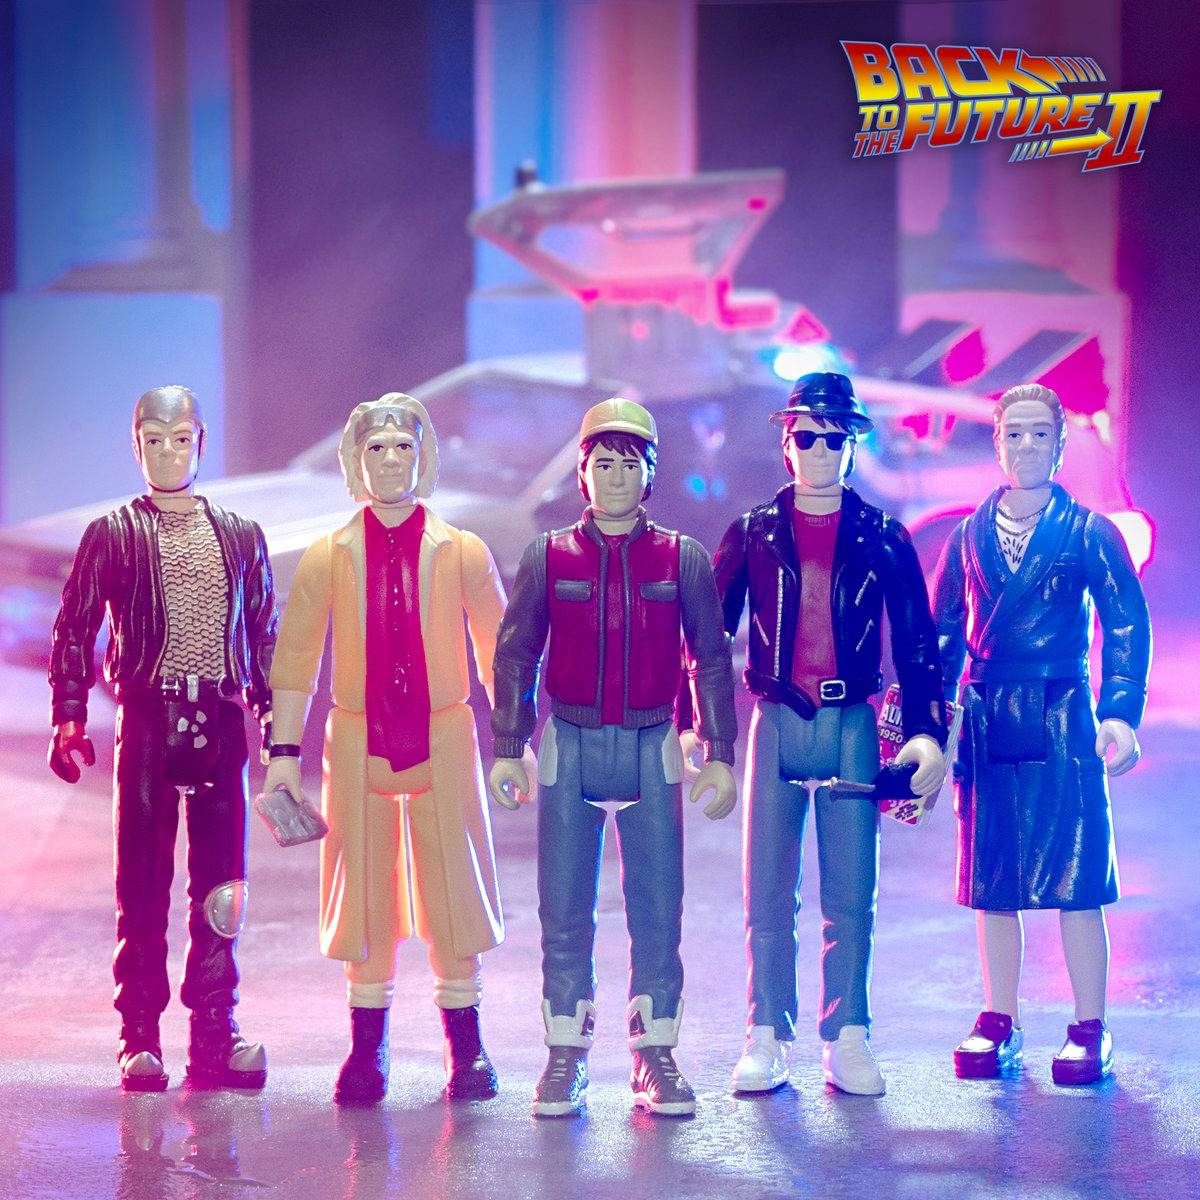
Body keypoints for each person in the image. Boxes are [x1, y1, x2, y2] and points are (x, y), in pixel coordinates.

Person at [489, 397, 738, 1118]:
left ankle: (654, 1051)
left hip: (652, 741)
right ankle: (564, 1052)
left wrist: (719, 749)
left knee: (658, 910)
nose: (617, 476)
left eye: (630, 463)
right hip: (568, 742)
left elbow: (710, 659)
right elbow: (516, 654)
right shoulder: (548, 556)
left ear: (650, 472)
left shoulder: (682, 558)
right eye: (604, 463)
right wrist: (509, 744)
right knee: (564, 909)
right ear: (583, 472)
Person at [264, 394, 509, 1106]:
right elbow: (296, 660)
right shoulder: (328, 556)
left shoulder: (462, 551)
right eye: (377, 448)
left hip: (443, 734)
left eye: (404, 446)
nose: (392, 460)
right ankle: (366, 1047)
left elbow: (499, 650)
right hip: (357, 738)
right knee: (362, 888)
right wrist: (283, 754)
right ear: (355, 459)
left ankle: (467, 1044)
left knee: (454, 884)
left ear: (423, 456)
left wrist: (513, 741)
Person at [712, 372, 946, 1097]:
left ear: (852, 446)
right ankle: (764, 1031)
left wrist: (927, 731)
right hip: (776, 720)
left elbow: (917, 643)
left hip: (851, 723)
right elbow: (709, 639)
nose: (819, 451)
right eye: (806, 437)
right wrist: (703, 730)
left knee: (852, 892)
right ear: (786, 443)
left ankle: (848, 1034)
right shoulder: (753, 532)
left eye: (834, 439)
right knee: (766, 890)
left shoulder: (884, 537)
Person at [48, 385, 277, 1092]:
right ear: (136, 445)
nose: (169, 452)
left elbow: (264, 634)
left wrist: (277, 726)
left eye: (181, 439)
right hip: (147, 721)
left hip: (221, 722)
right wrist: (69, 714)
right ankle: (139, 1036)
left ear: (201, 443)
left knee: (224, 890)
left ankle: (215, 1029)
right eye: (154, 439)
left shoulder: (240, 534)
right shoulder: (112, 533)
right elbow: (75, 625)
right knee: (142, 885)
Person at [932, 383, 1152, 1085]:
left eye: (1039, 434)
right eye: (1013, 433)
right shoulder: (967, 536)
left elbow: (1125, 620)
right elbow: (942, 635)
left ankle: (1090, 1024)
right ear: (996, 442)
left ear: (1059, 445)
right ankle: (999, 1016)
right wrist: (932, 725)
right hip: (989, 712)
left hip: (1062, 713)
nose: (1026, 446)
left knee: (1077, 876)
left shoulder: (1088, 531)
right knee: (992, 878)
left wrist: (1119, 710)